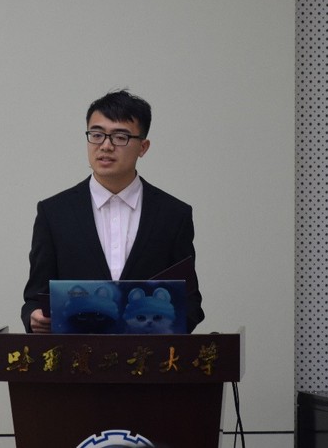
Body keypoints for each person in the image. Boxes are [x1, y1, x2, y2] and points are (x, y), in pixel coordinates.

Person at [21, 90, 204, 333]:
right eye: (97, 135)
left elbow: (190, 300)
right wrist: (34, 316)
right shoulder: (54, 213)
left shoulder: (173, 215)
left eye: (120, 137)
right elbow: (35, 297)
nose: (106, 146)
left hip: (149, 354)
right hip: (76, 354)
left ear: (143, 147)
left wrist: (165, 327)